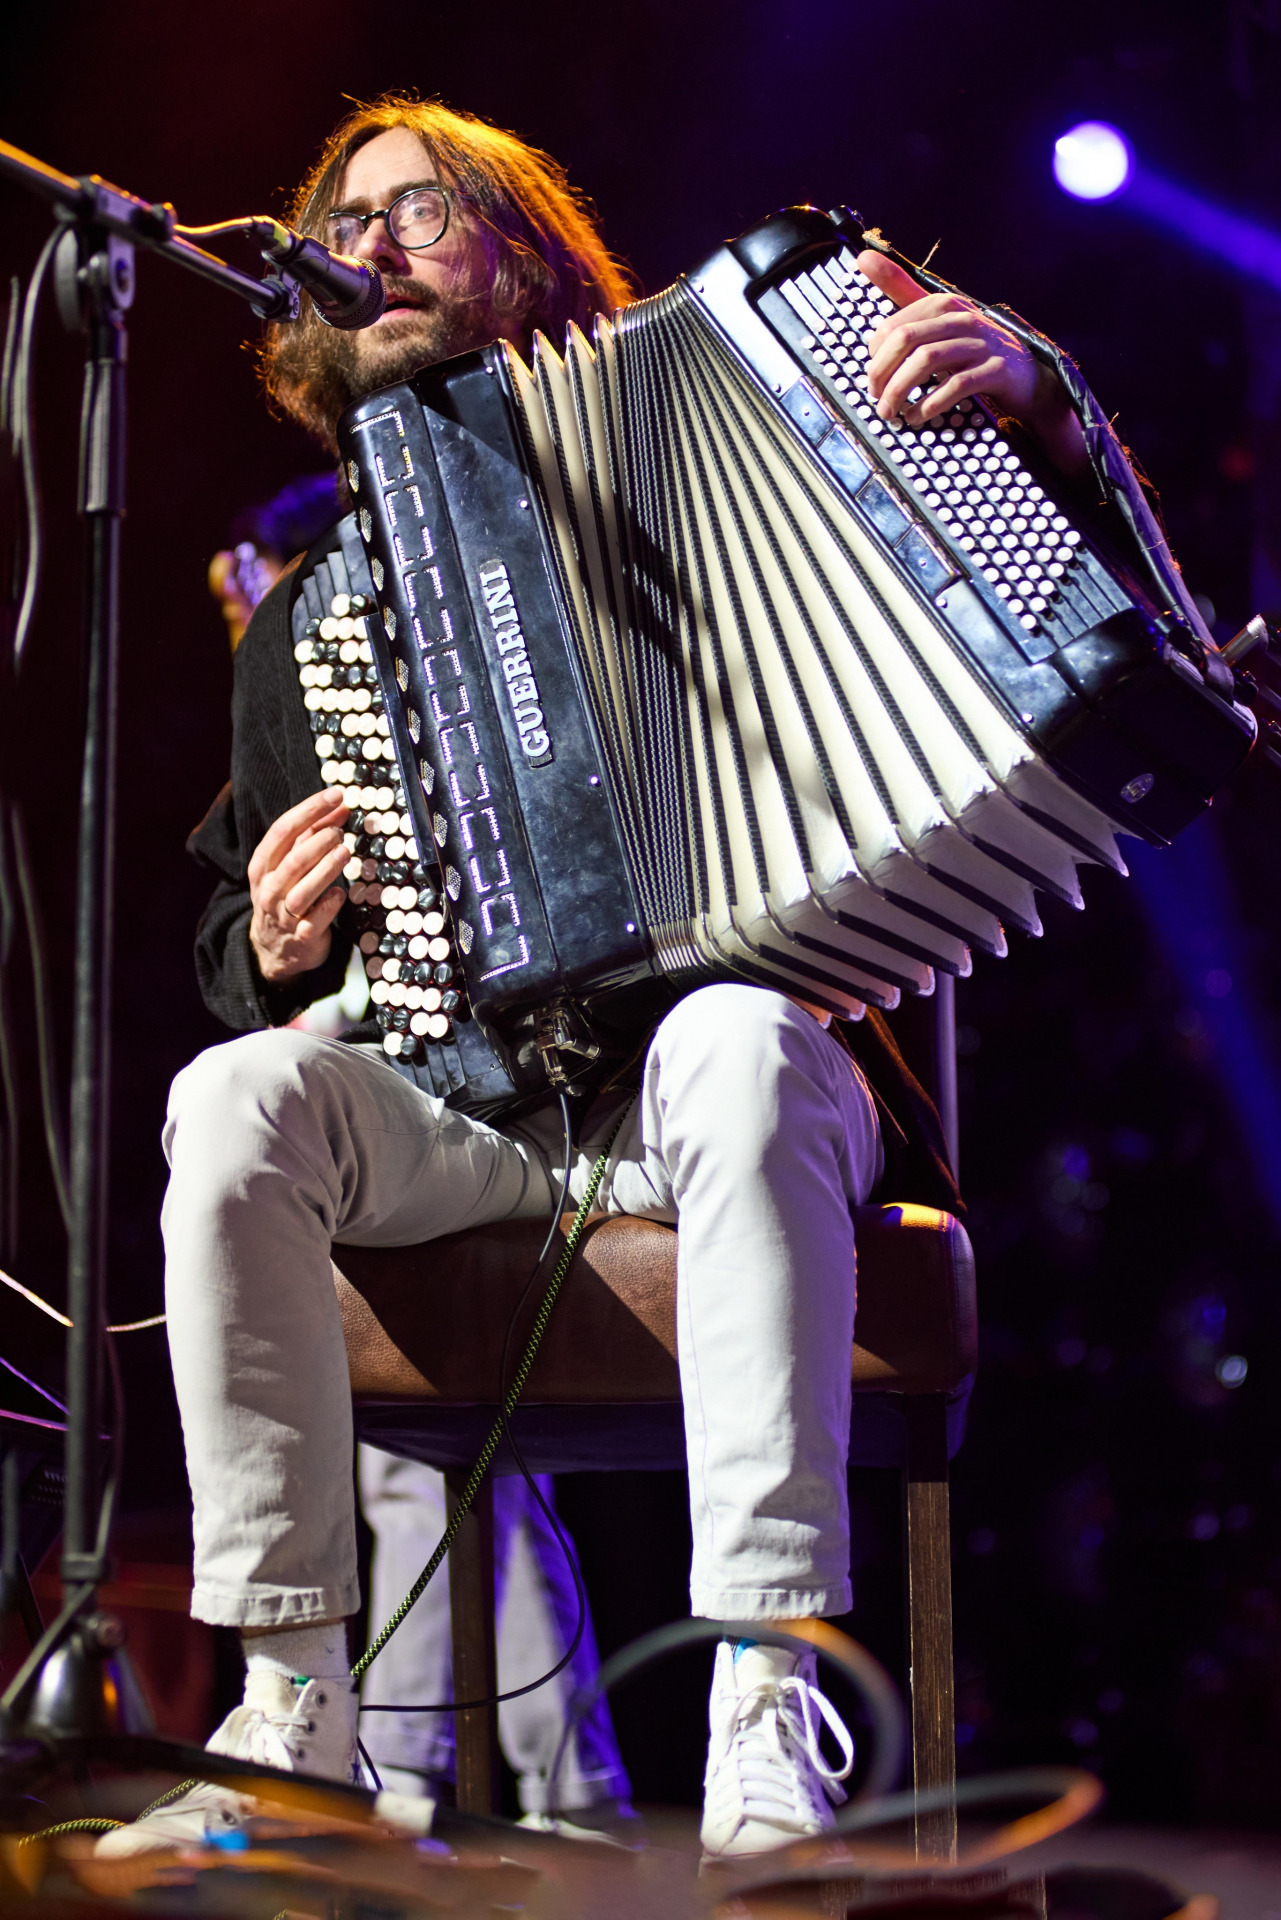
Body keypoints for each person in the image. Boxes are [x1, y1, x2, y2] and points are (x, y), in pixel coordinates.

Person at [100, 93, 1092, 1862]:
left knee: (725, 1033)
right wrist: (265, 944)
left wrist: (1035, 414)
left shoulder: (726, 460)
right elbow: (219, 922)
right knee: (229, 1094)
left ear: (522, 256)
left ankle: (763, 1706)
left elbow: (1036, 603)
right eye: (350, 220)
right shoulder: (316, 609)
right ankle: (292, 1718)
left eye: (425, 210)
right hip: (467, 1118)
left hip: (711, 1099)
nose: (376, 243)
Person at [205, 478, 635, 1828]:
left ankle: (463, 1784)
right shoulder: (290, 712)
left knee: (450, 1484)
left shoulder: (468, 663)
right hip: (422, 1134)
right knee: (438, 1484)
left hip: (561, 1106)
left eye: (268, 591)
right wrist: (280, 953)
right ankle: (495, 1780)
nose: (255, 624)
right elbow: (243, 948)